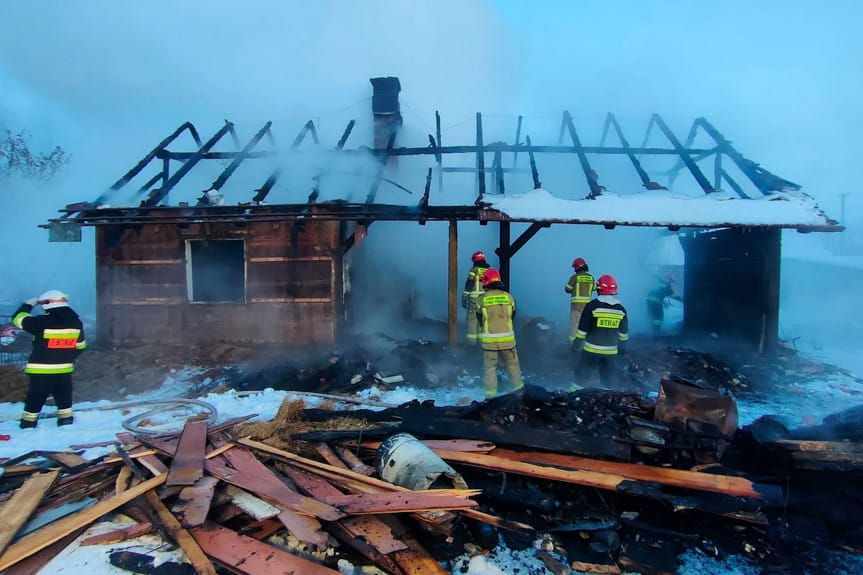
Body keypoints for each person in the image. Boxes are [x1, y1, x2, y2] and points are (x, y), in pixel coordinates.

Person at [12, 290, 87, 428]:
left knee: (36, 397)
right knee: (64, 397)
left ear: (47, 304)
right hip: (64, 369)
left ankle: (28, 424)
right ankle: (65, 421)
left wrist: (27, 305)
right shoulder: (76, 323)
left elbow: (18, 319)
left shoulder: (42, 321)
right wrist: (66, 357)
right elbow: (81, 346)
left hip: (41, 370)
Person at [573, 274, 628, 388]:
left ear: (599, 289)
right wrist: (622, 348)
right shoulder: (621, 310)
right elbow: (624, 333)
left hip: (591, 351)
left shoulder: (592, 306)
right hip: (610, 353)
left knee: (580, 378)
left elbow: (583, 329)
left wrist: (576, 344)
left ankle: (573, 397)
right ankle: (605, 401)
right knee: (607, 381)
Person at [476, 268, 524, 399]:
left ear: (486, 281)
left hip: (489, 343)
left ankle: (490, 398)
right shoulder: (509, 297)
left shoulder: (481, 300)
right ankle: (520, 394)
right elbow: (512, 316)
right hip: (508, 341)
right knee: (513, 366)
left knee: (490, 369)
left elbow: (480, 319)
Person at [461, 250, 490, 346]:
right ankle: (481, 344)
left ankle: (472, 344)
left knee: (472, 321)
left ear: (475, 260)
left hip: (474, 301)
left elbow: (469, 285)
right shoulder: (489, 270)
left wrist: (464, 298)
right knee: (482, 321)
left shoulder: (474, 270)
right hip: (486, 301)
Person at [564, 257, 595, 343]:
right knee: (586, 325)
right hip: (587, 307)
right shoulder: (591, 278)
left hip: (576, 307)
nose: (574, 269)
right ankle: (585, 343)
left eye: (575, 267)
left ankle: (573, 345)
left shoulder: (574, 277)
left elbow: (567, 289)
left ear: (578, 267)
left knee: (574, 326)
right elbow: (593, 288)